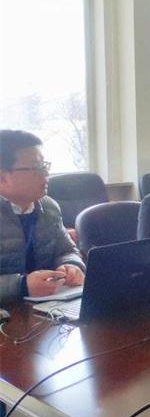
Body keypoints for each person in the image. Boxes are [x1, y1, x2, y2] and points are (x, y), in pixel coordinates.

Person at [0, 130, 85, 303]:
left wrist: (71, 265)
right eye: (36, 168)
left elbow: (67, 250)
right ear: (3, 177)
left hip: (46, 306)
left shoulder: (48, 207)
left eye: (44, 166)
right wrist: (21, 285)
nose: (46, 174)